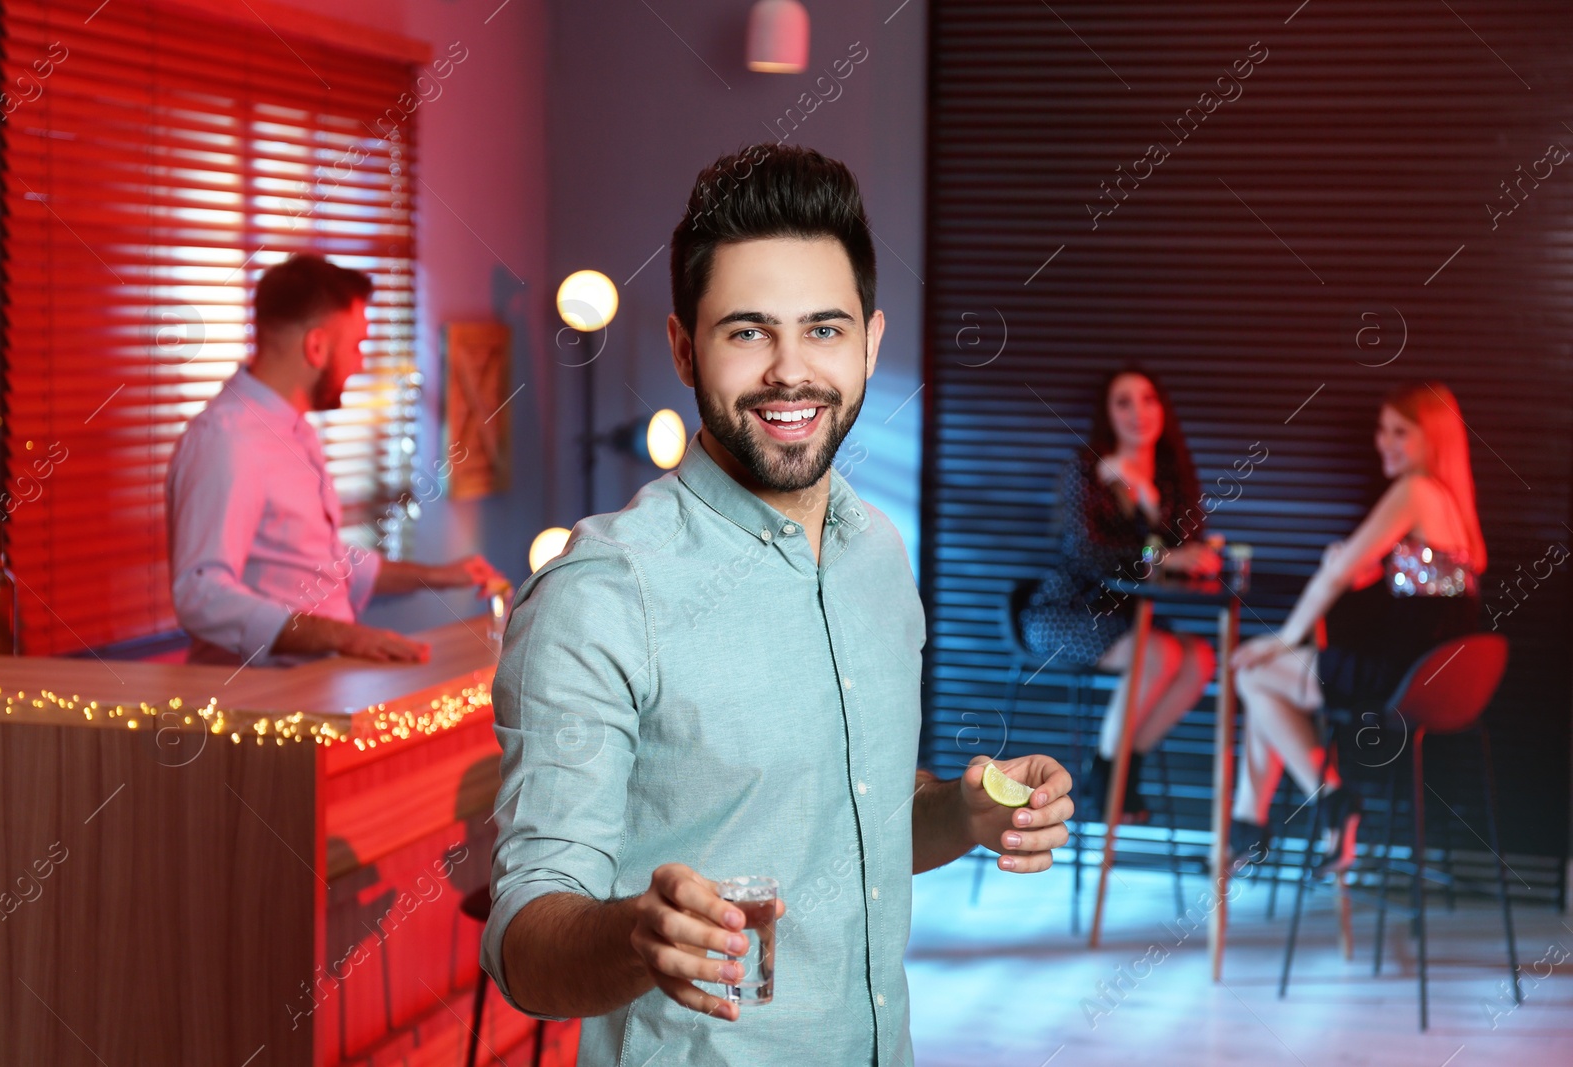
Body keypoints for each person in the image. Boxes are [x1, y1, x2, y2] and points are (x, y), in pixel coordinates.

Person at [480, 144, 1074, 1067]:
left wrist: (962, 812)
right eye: (748, 331)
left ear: (871, 341)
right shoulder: (602, 594)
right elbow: (522, 941)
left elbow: (854, 828)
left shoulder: (877, 551)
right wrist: (639, 933)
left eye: (824, 330)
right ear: (684, 346)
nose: (790, 372)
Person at [166, 253, 508, 666]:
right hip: (268, 706)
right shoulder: (227, 440)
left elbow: (317, 560)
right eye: (357, 345)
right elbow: (201, 593)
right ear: (316, 347)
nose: (361, 362)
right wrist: (344, 637)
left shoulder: (294, 431)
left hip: (317, 685)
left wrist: (436, 576)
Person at [1228, 381, 1487, 872]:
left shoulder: (1414, 490)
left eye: (1399, 432)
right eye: (1381, 429)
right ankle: (1251, 825)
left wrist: (1280, 638)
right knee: (1264, 690)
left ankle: (1330, 801)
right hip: (1430, 678)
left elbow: (1334, 578)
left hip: (1397, 677)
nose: (1383, 442)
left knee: (1253, 674)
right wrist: (1356, 565)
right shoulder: (1453, 506)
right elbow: (1408, 575)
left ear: (1431, 440)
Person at [1019, 367, 1219, 821]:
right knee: (1161, 655)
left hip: (1130, 617)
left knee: (1202, 659)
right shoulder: (1086, 469)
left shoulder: (1168, 477)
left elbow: (1186, 546)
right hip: (1064, 611)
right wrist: (1166, 556)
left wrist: (1148, 501)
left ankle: (1124, 770)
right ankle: (1104, 779)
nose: (1138, 413)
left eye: (1148, 400)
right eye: (1123, 402)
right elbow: (1086, 553)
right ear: (1107, 415)